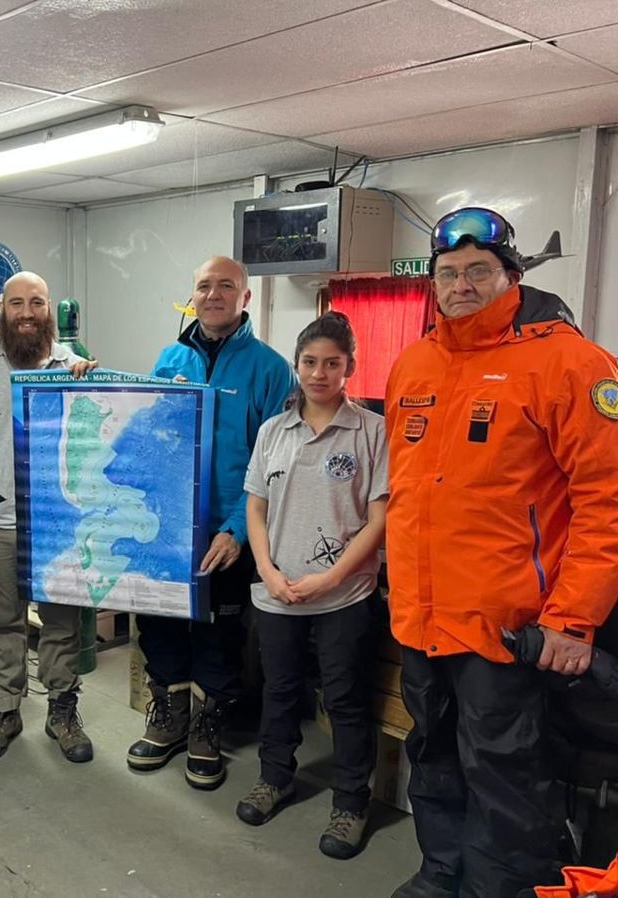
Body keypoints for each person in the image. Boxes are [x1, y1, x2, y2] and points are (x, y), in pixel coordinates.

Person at [385, 207, 618, 898]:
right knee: (433, 756)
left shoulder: (569, 362)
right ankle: (441, 874)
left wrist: (573, 619)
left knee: (506, 777)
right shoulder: (414, 363)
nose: (461, 284)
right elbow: (411, 492)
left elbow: (612, 499)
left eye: (478, 271)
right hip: (421, 618)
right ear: (433, 283)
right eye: (448, 273)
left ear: (512, 276)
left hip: (506, 627)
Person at [128, 256, 295, 790]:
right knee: (160, 622)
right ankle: (171, 717)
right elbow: (148, 434)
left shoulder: (270, 370)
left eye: (227, 286)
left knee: (220, 634)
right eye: (204, 286)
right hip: (165, 527)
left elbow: (274, 463)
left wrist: (237, 530)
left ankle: (206, 727)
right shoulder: (168, 357)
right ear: (192, 297)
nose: (214, 294)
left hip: (230, 530)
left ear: (245, 298)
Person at [237, 311, 388, 860]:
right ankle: (274, 778)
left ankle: (351, 802)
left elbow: (378, 518)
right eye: (309, 362)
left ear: (350, 367)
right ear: (296, 364)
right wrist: (270, 572)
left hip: (344, 596)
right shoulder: (273, 431)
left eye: (332, 363)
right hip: (277, 594)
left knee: (345, 699)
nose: (319, 373)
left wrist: (331, 577)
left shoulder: (372, 431)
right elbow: (255, 507)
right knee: (278, 692)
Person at [0, 271, 98, 763]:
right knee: (2, 622)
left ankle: (62, 707)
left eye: (36, 302)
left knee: (62, 621)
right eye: (17, 303)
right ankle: (6, 707)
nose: (27, 313)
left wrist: (94, 387)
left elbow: (102, 432)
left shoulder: (77, 366)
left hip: (58, 524)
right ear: (3, 310)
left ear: (50, 308)